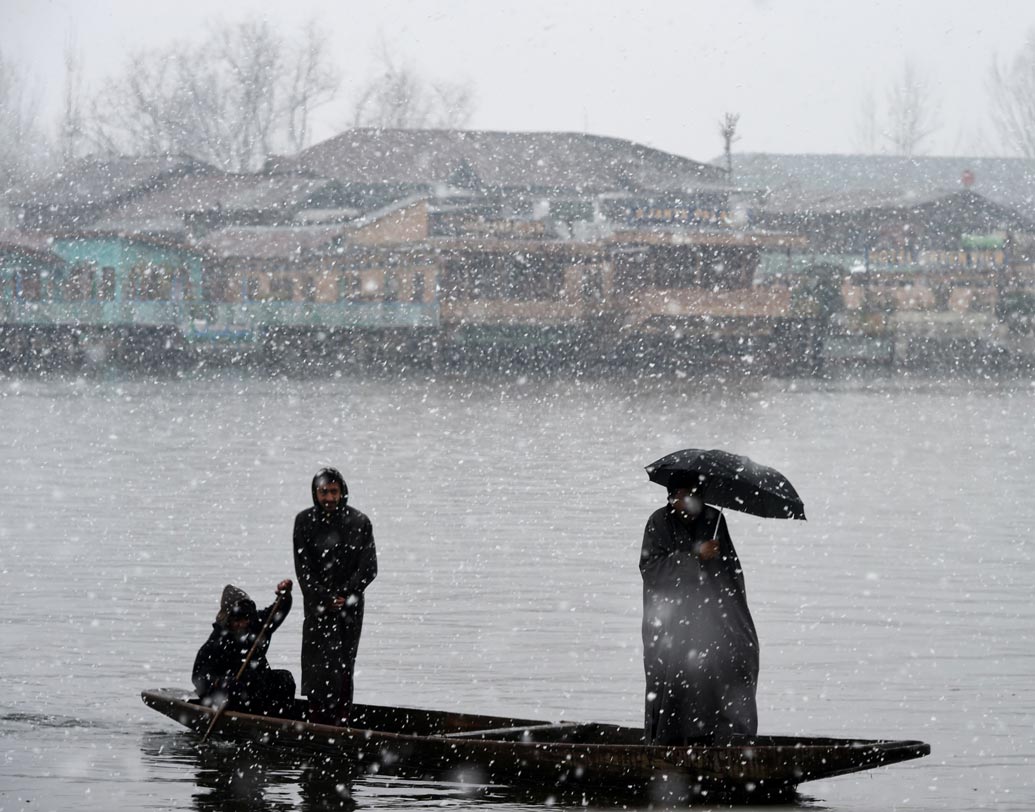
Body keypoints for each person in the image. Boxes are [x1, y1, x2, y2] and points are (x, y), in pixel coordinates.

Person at [639, 475, 759, 745]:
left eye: (696, 493)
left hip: (709, 618)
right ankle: (668, 745)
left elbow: (730, 573)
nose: (692, 499)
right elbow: (652, 569)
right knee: (672, 682)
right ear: (673, 497)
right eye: (685, 494)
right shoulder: (659, 522)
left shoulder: (714, 520)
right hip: (670, 622)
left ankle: (717, 741)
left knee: (720, 674)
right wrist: (695, 556)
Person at [293, 467, 377, 725]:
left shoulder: (359, 522)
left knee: (343, 663)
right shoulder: (304, 521)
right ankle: (316, 716)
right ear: (315, 493)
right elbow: (303, 569)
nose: (328, 498)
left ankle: (342, 718)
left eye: (333, 492)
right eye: (323, 492)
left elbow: (369, 568)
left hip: (348, 608)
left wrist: (344, 594)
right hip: (317, 607)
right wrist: (323, 597)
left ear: (342, 493)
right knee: (316, 663)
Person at [192, 580, 295, 716]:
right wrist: (220, 682)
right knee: (238, 685)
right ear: (228, 620)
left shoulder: (256, 625)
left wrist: (285, 596)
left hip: (257, 690)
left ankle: (280, 717)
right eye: (237, 620)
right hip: (229, 697)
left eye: (245, 619)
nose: (242, 624)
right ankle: (245, 719)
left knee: (284, 679)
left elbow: (276, 612)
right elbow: (199, 677)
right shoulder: (216, 642)